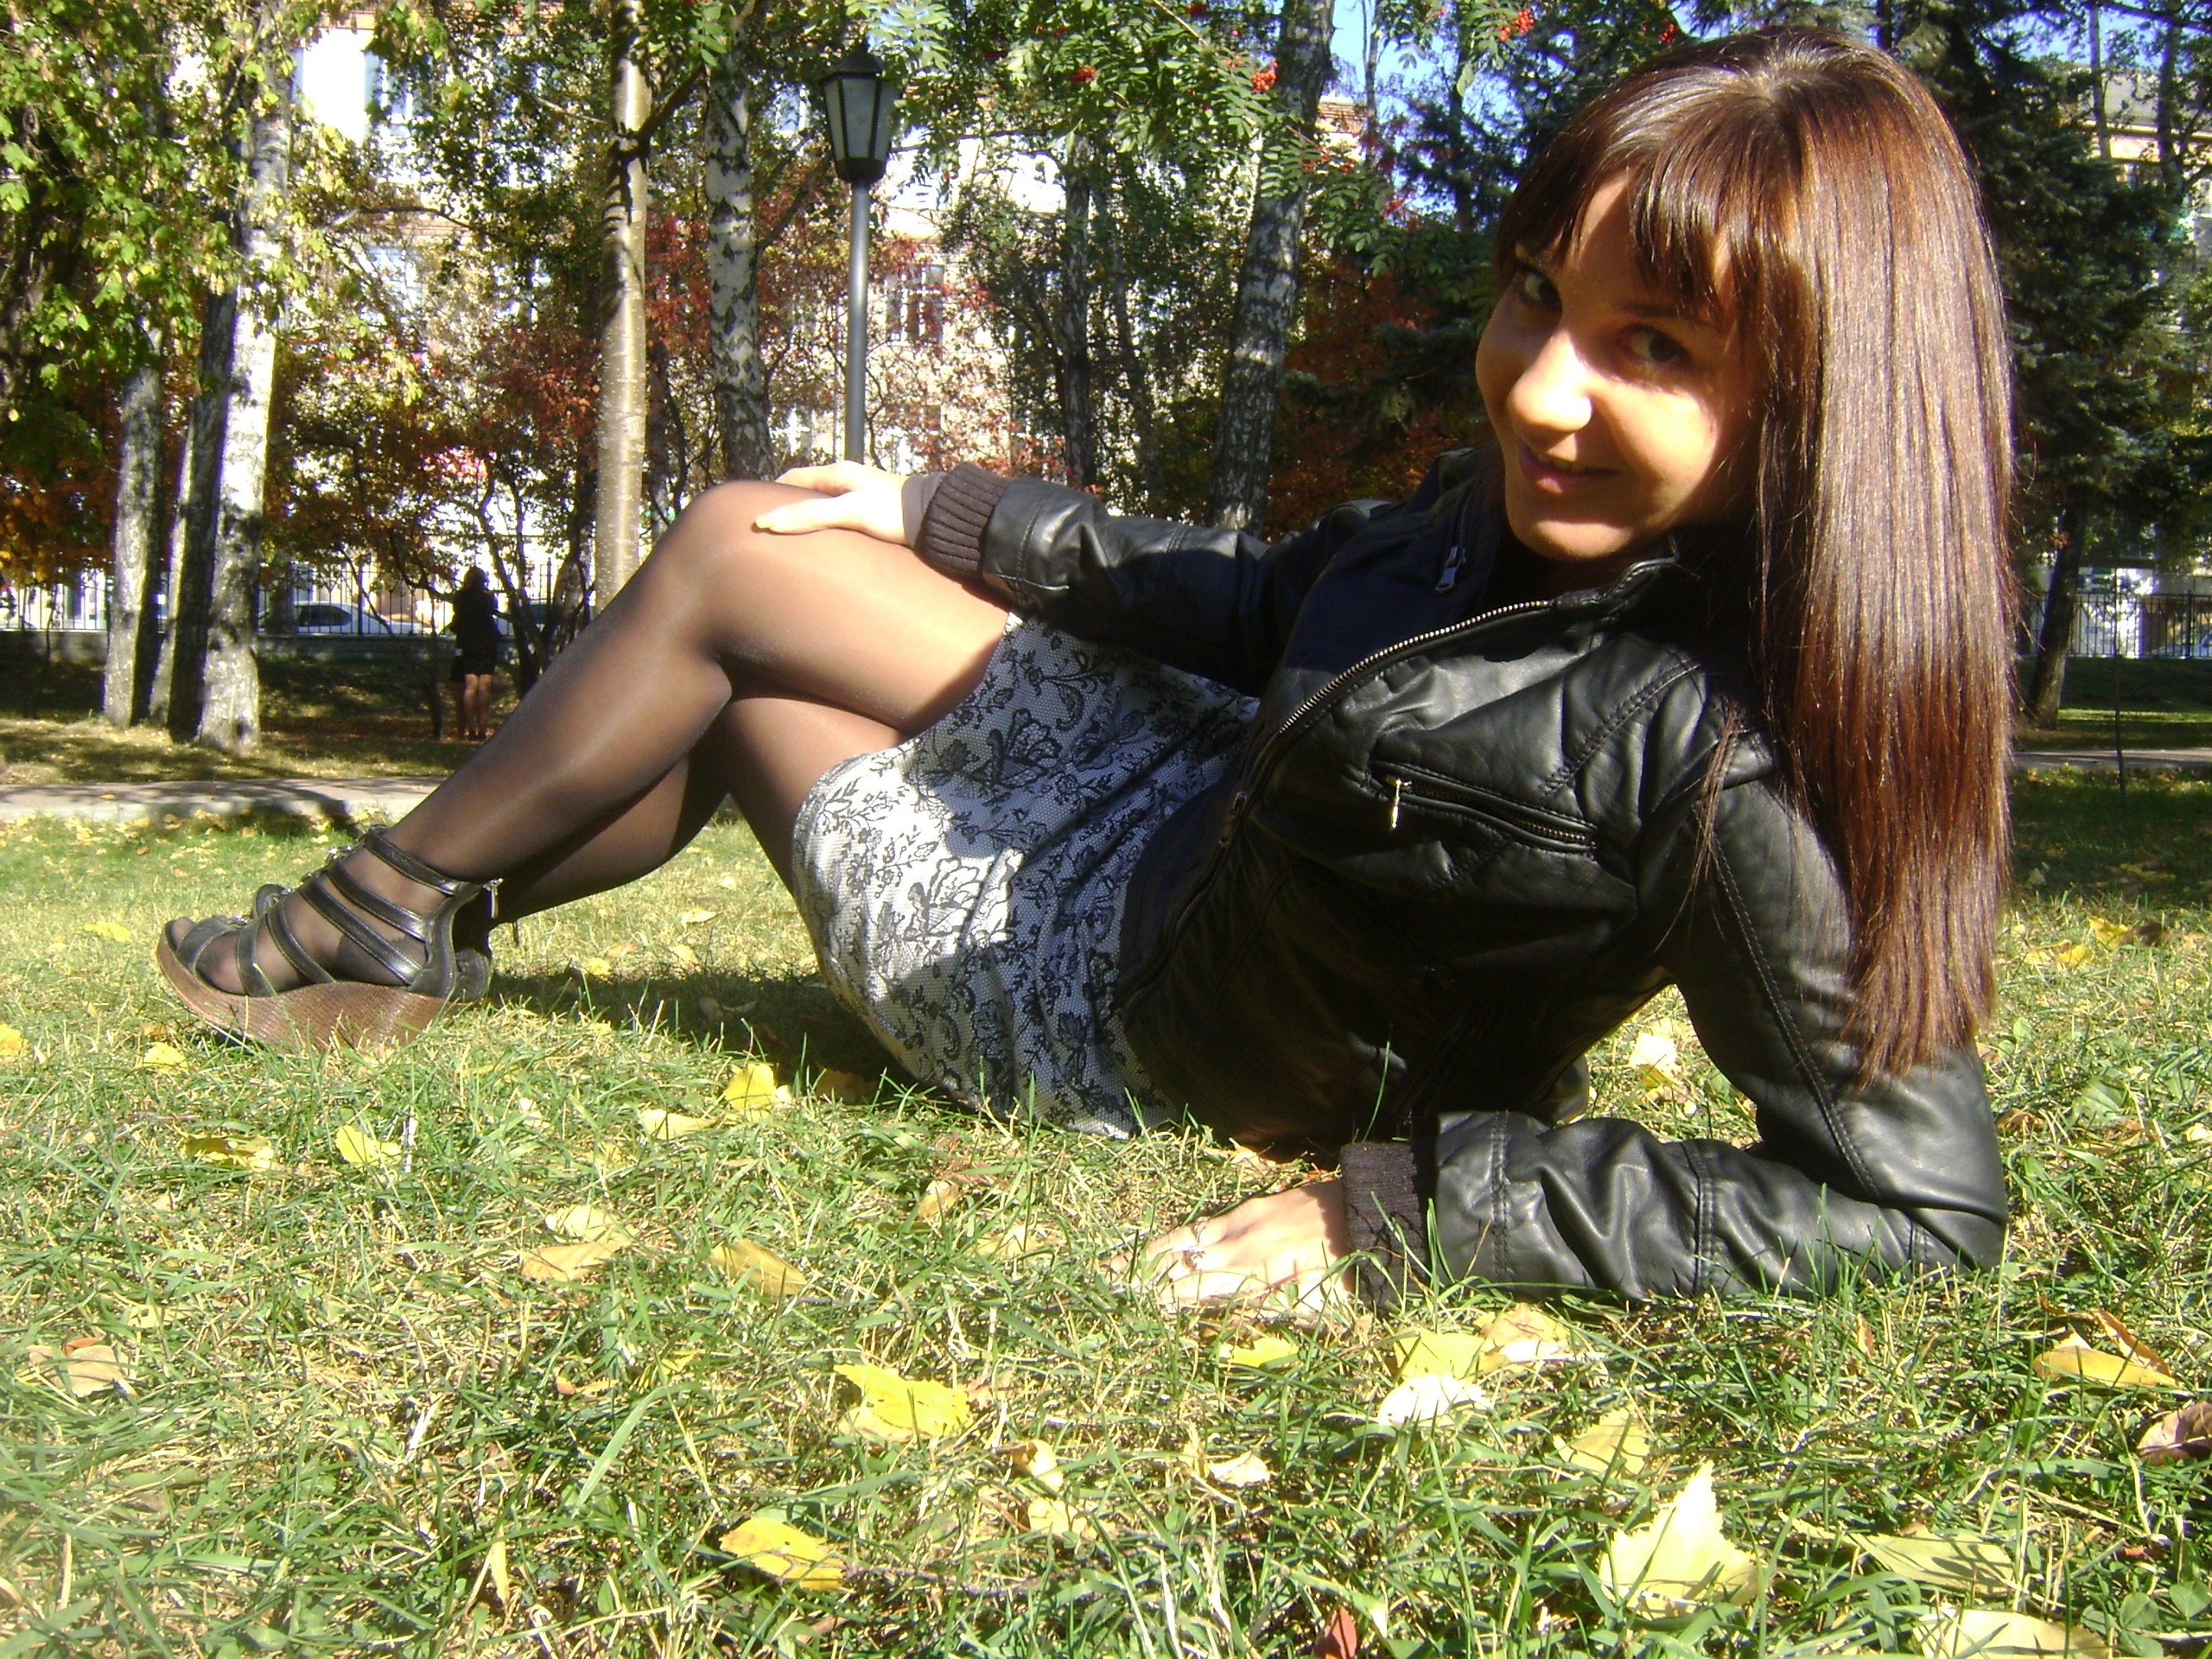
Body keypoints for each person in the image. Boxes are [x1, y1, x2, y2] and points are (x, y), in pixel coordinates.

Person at [154, 29, 2013, 1309]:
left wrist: (1397, 1210)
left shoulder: (1744, 749)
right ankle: (405, 919)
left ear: (1829, 393)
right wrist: (940, 508)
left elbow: (1909, 1208)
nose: (1540, 389)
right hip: (1185, 808)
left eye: (1654, 345)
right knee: (757, 538)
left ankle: (386, 920)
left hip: (1113, 1018)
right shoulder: (1500, 517)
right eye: (1538, 293)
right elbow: (1256, 600)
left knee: (746, 687)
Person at [448, 567, 503, 741]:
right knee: (485, 687)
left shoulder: (461, 598)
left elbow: (456, 621)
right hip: (487, 645)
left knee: (470, 686)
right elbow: (492, 612)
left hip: (468, 645)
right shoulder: (488, 598)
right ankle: (483, 730)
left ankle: (470, 729)